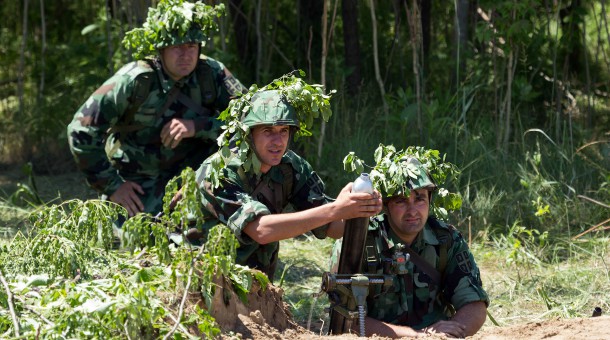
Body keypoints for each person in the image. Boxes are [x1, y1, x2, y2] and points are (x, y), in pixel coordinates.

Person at [67, 0, 246, 217]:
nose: (186, 54)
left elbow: (251, 120)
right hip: (139, 184)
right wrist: (112, 186)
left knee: (218, 236)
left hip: (197, 178)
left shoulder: (212, 74)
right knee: (137, 240)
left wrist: (198, 126)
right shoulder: (133, 81)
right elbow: (80, 130)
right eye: (177, 47)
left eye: (192, 46)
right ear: (161, 48)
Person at [193, 87, 383, 280]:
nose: (278, 141)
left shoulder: (291, 167)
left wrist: (358, 208)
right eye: (268, 131)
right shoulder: (219, 172)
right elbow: (261, 230)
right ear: (249, 134)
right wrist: (336, 209)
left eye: (284, 131)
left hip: (256, 284)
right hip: (203, 277)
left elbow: (332, 228)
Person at [330, 156, 489, 338]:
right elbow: (348, 322)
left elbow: (475, 305)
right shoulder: (358, 243)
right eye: (401, 200)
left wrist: (447, 334)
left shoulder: (447, 240)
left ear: (430, 200)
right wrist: (418, 335)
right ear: (386, 206)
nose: (412, 210)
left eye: (419, 199)